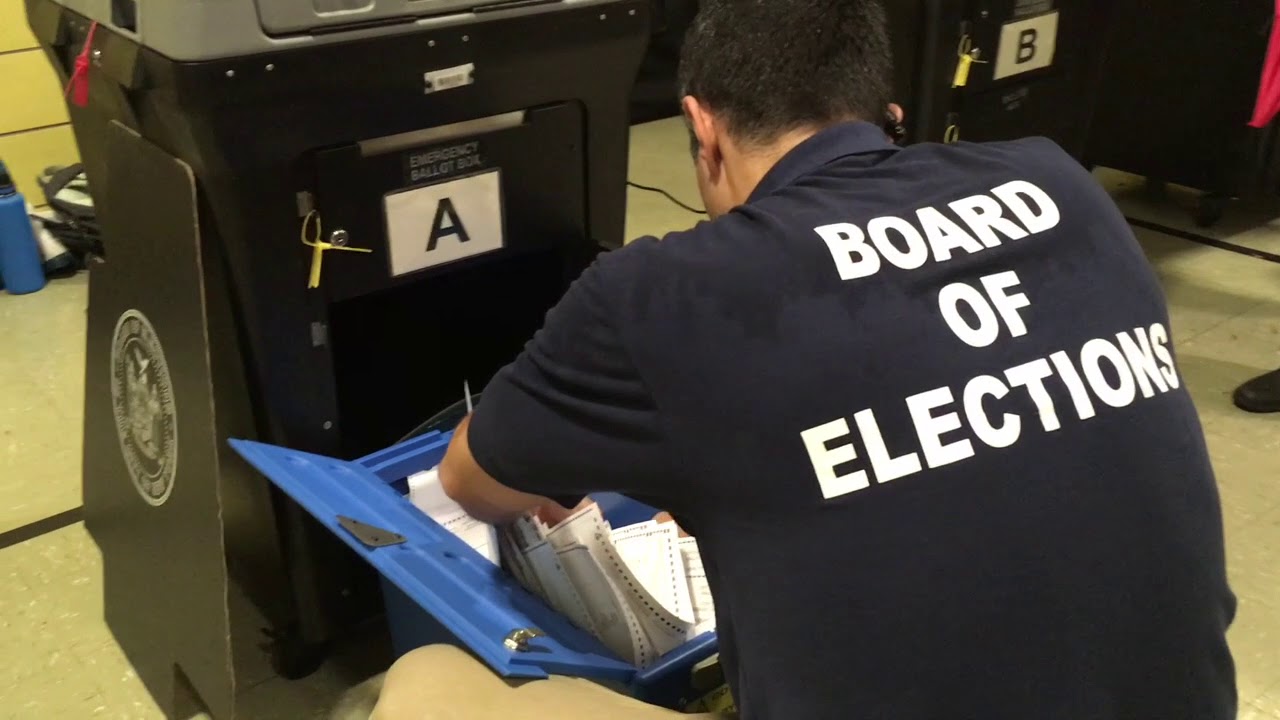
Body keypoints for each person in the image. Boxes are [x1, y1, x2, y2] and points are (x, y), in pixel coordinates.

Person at [372, 0, 1238, 717]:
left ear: (700, 130)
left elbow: (471, 482)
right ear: (882, 108)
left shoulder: (669, 290)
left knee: (422, 687)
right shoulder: (1061, 186)